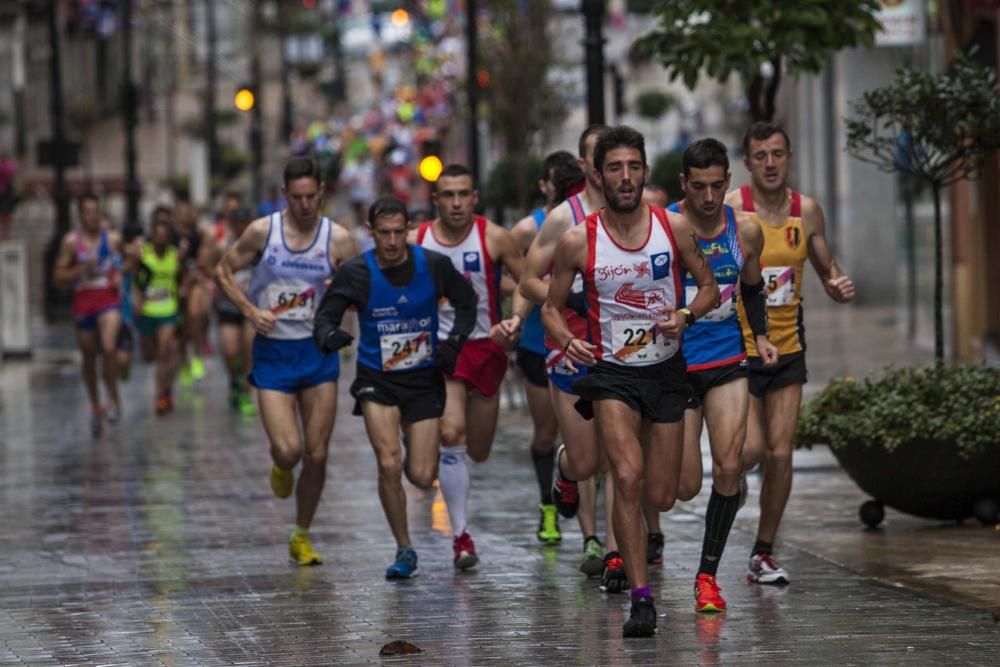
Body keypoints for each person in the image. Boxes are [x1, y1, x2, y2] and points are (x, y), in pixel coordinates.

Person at [542, 126, 719, 638]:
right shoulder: (578, 240)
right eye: (615, 168)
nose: (626, 177)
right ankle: (641, 599)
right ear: (598, 175)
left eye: (634, 167)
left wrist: (684, 314)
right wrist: (567, 340)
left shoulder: (675, 228)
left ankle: (629, 542)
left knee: (662, 495)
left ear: (645, 172)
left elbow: (708, 287)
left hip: (665, 371)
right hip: (613, 374)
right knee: (626, 477)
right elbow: (551, 308)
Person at [314, 197, 477, 579]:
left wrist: (453, 344)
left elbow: (467, 302)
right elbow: (325, 316)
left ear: (408, 230)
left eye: (397, 232)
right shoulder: (356, 272)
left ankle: (412, 444)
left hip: (422, 380)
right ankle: (405, 548)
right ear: (371, 232)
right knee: (388, 463)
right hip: (377, 380)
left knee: (421, 475)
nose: (391, 241)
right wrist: (330, 334)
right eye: (383, 233)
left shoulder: (433, 266)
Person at [725, 122, 855, 585]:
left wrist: (838, 284)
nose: (770, 163)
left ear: (790, 157)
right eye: (760, 156)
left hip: (788, 347)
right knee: (751, 448)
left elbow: (827, 268)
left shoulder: (808, 212)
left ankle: (763, 551)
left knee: (780, 454)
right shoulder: (732, 209)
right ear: (748, 163)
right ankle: (731, 479)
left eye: (777, 153)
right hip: (737, 347)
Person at [214, 157, 357, 566]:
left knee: (317, 453)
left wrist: (340, 292)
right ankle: (280, 466)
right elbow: (222, 270)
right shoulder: (263, 232)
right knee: (290, 450)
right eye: (298, 198)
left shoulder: (339, 239)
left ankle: (302, 533)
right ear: (284, 196)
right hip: (274, 353)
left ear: (322, 193)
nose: (306, 205)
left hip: (317, 353)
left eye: (312, 196)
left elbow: (363, 289)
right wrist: (249, 310)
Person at [664, 138, 778, 613]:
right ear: (683, 184)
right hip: (674, 363)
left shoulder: (745, 231)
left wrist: (763, 335)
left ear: (728, 182)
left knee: (730, 466)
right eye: (698, 187)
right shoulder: (665, 228)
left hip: (727, 357)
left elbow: (751, 289)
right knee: (682, 486)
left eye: (717, 186)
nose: (708, 198)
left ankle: (707, 577)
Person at [507, 125, 622, 584]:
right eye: (605, 162)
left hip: (624, 351)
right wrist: (568, 296)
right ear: (587, 167)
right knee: (587, 460)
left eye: (623, 164)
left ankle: (610, 548)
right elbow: (529, 280)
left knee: (619, 459)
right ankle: (564, 469)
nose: (615, 172)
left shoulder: (641, 215)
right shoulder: (562, 218)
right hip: (569, 347)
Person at [412, 163, 524, 569]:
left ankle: (441, 459)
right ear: (436, 200)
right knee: (452, 431)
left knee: (477, 449)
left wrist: (517, 318)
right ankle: (461, 537)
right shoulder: (417, 240)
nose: (456, 202)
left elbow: (527, 281)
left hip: (486, 348)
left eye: (463, 194)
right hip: (441, 350)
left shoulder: (493, 237)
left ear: (474, 198)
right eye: (448, 195)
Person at [507, 150, 582, 544]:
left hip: (587, 343)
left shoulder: (595, 222)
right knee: (545, 432)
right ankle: (547, 506)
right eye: (558, 181)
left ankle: (590, 528)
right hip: (541, 343)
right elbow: (516, 277)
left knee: (588, 442)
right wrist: (518, 311)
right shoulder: (530, 228)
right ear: (544, 186)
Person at [52, 194, 124, 437]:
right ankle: (95, 404)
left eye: (95, 211)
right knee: (89, 357)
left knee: (109, 347)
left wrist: (120, 275)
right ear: (80, 214)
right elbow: (57, 276)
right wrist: (80, 269)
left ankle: (112, 399)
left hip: (108, 300)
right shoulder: (72, 242)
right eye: (87, 212)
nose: (92, 216)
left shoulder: (112, 238)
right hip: (84, 303)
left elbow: (128, 261)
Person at [133, 207, 183, 414]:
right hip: (147, 310)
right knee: (150, 356)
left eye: (165, 233)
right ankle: (165, 387)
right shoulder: (142, 252)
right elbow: (134, 277)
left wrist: (183, 290)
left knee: (165, 350)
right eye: (157, 233)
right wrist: (136, 298)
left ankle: (161, 394)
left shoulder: (175, 255)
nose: (161, 237)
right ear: (152, 234)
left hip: (168, 309)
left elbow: (182, 277)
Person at [211, 206, 257, 416]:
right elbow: (209, 268)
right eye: (239, 224)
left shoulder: (260, 247)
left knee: (249, 350)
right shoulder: (223, 246)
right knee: (230, 351)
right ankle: (234, 380)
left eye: (246, 224)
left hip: (252, 307)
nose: (242, 228)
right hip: (228, 306)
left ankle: (247, 393)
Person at [173, 197, 215, 385]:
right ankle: (184, 362)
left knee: (195, 314)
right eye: (180, 213)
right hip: (174, 283)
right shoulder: (171, 237)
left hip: (195, 281)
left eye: (187, 213)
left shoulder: (199, 235)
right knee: (180, 327)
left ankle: (197, 353)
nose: (184, 217)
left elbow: (204, 261)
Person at [0, 153, 19, 240]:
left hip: (6, 192)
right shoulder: (6, 166)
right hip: (5, 192)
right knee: (6, 214)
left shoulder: (5, 166)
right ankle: (5, 233)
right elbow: (15, 170)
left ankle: (5, 233)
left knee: (5, 214)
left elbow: (15, 170)